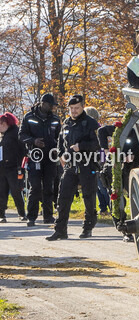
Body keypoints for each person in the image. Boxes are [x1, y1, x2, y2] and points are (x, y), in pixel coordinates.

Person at [48, 95, 101, 241]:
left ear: (82, 107)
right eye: (71, 108)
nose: (74, 111)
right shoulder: (66, 123)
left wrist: (81, 146)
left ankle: (88, 227)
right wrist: (61, 155)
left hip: (86, 164)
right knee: (63, 198)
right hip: (70, 166)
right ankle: (60, 230)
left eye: (76, 108)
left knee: (89, 198)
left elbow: (97, 144)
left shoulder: (91, 123)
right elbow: (60, 143)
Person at [20, 93, 61, 227]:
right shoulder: (29, 117)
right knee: (36, 187)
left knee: (49, 186)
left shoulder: (55, 119)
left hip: (50, 157)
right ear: (43, 103)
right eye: (50, 105)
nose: (52, 107)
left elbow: (60, 137)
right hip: (35, 157)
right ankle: (31, 217)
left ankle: (48, 216)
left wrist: (57, 148)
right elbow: (21, 135)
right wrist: (34, 141)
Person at [0, 112, 27, 222]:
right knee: (2, 191)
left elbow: (23, 149)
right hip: (2, 167)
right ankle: (1, 215)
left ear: (6, 123)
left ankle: (22, 213)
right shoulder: (3, 135)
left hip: (14, 167)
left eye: (1, 124)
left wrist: (21, 165)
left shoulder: (16, 133)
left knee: (16, 191)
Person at [88, 107, 114, 215]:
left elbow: (100, 146)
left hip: (99, 158)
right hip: (94, 158)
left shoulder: (96, 129)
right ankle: (103, 208)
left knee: (102, 185)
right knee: (97, 186)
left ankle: (110, 207)